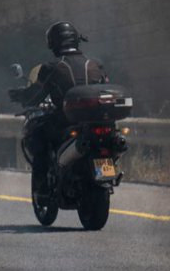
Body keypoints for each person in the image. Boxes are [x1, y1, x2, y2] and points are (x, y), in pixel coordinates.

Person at [8, 21, 109, 179]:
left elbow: (35, 96)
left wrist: (19, 95)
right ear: (76, 40)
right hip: (98, 121)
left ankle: (42, 190)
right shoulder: (96, 65)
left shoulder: (52, 68)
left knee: (38, 136)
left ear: (53, 43)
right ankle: (104, 175)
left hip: (65, 121)